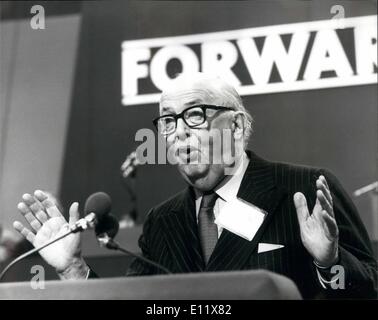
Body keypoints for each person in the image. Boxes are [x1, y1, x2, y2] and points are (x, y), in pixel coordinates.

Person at [14, 73, 377, 299]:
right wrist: (72, 269)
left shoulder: (303, 189)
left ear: (235, 126)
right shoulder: (163, 222)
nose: (180, 132)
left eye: (195, 115)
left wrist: (330, 263)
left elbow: (369, 289)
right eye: (169, 121)